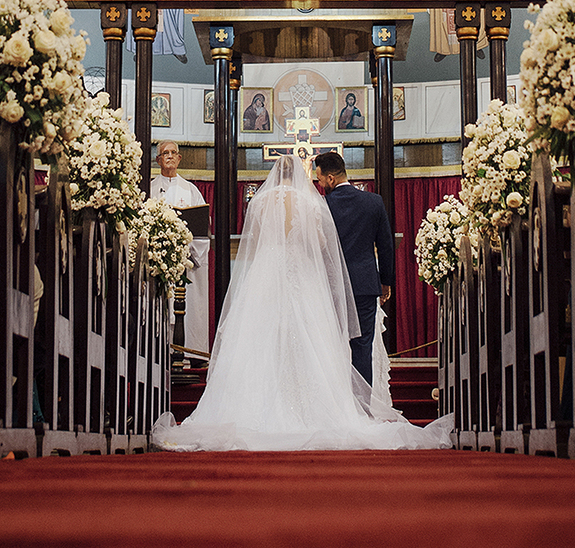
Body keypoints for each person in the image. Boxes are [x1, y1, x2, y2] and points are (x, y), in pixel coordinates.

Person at [152, 154, 448, 449]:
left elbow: (252, 245)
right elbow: (320, 244)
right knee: (316, 340)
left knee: (260, 340)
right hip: (304, 276)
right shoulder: (311, 203)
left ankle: (250, 407)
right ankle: (338, 408)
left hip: (265, 275)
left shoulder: (259, 202)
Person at [314, 151, 393, 387]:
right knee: (362, 347)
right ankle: (362, 408)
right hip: (364, 285)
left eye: (319, 179)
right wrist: (385, 282)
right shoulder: (374, 202)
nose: (319, 185)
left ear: (330, 178)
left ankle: (338, 407)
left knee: (331, 346)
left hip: (330, 286)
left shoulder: (322, 206)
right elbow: (386, 246)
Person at [149, 142, 210, 361]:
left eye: (174, 153)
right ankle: (157, 356)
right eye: (165, 153)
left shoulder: (190, 190)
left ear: (180, 158)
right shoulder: (150, 188)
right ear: (158, 160)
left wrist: (190, 253)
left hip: (185, 262)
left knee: (187, 308)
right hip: (158, 262)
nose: (170, 157)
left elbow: (202, 226)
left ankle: (187, 355)